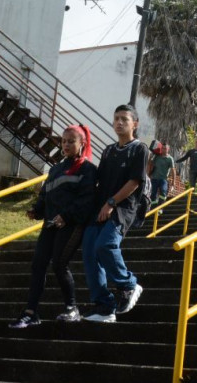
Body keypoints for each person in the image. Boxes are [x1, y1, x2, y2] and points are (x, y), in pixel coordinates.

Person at [9, 125, 96, 328]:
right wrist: (36, 210)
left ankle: (72, 308)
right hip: (50, 225)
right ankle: (31, 313)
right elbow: (45, 195)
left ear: (82, 143)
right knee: (38, 265)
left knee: (59, 264)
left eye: (71, 141)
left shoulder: (88, 169)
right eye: (64, 141)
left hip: (71, 225)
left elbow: (87, 200)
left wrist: (66, 216)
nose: (66, 145)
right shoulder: (56, 169)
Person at [83, 104, 148, 323]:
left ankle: (128, 284)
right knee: (90, 253)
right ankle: (104, 307)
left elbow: (135, 181)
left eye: (124, 119)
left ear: (134, 124)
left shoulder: (139, 149)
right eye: (116, 118)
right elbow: (99, 179)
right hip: (99, 208)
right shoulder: (109, 150)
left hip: (122, 209)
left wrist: (111, 203)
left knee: (106, 245)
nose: (119, 122)